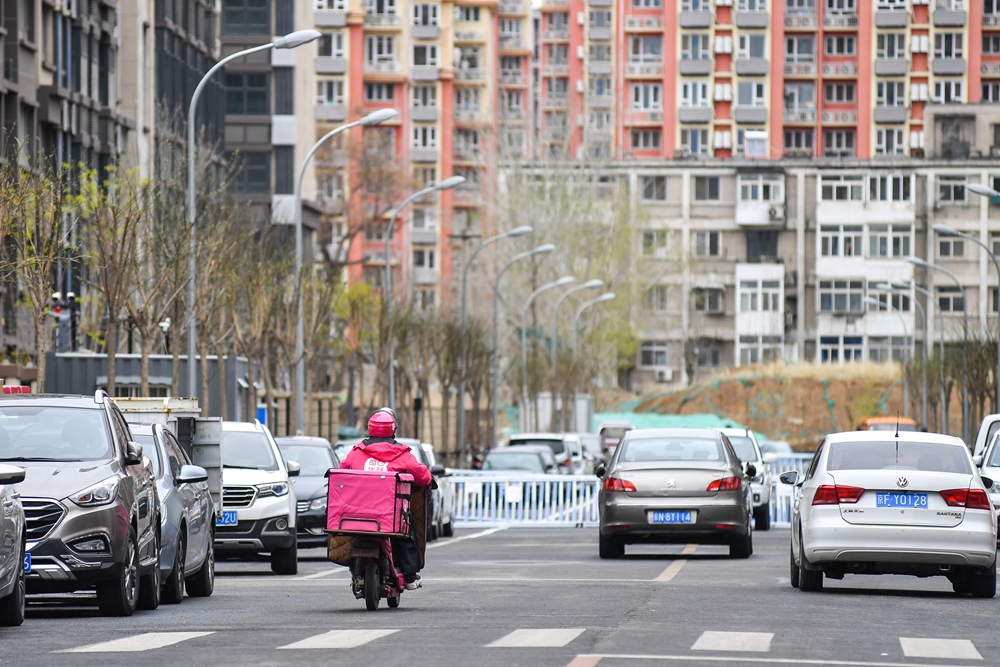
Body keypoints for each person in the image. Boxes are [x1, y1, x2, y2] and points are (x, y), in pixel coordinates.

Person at [339, 408, 432, 589]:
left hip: (355, 514)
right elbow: (423, 477)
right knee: (406, 530)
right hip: (390, 516)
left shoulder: (356, 452)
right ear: (393, 429)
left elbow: (342, 472)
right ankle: (410, 574)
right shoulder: (402, 455)